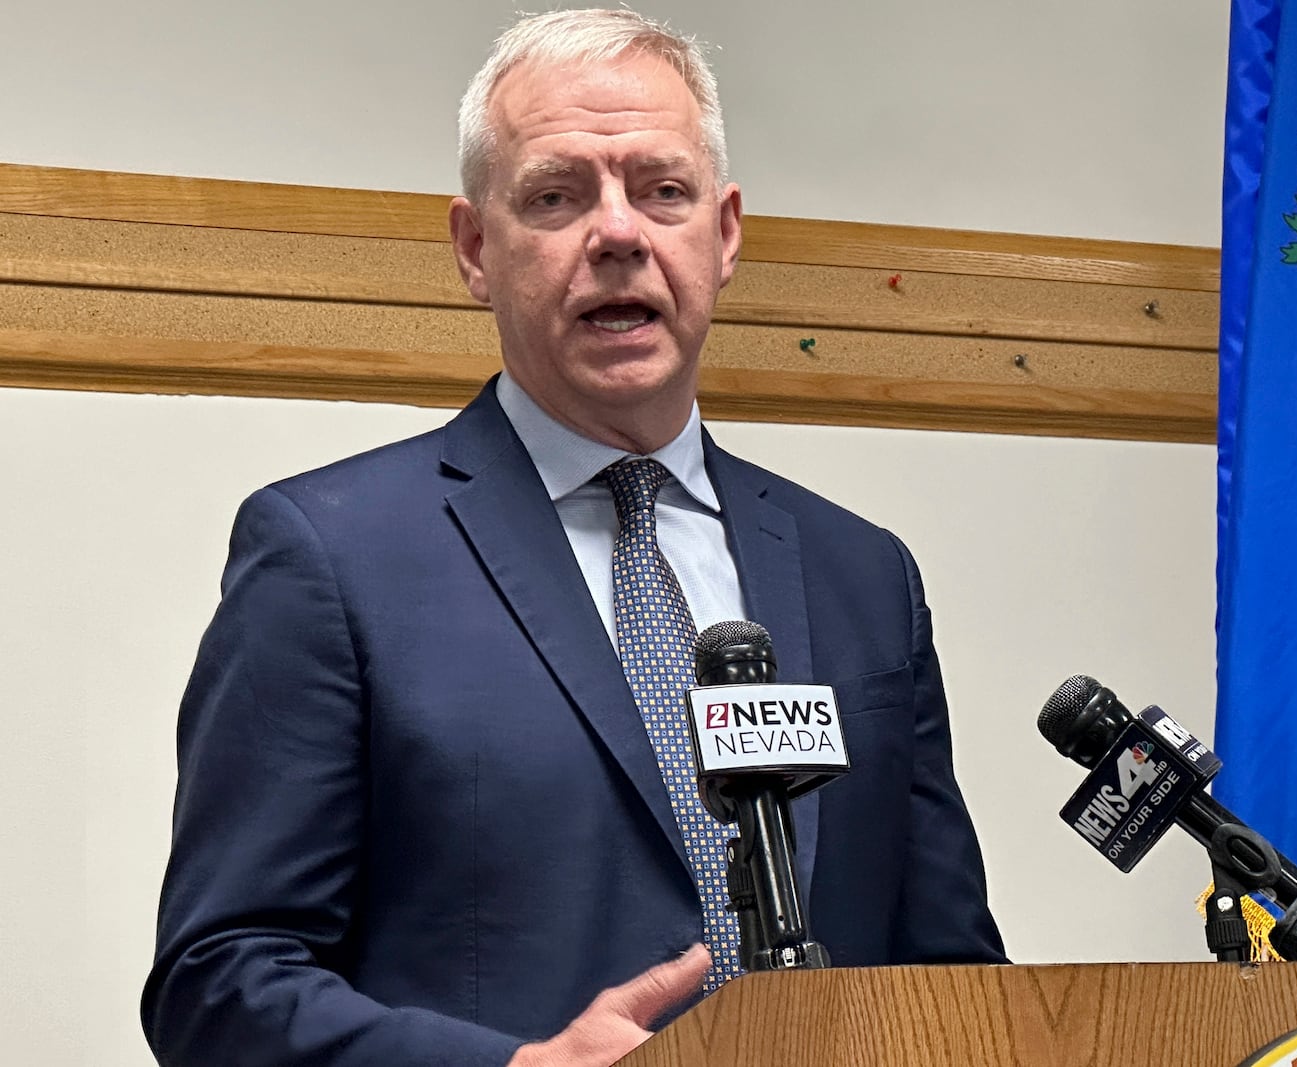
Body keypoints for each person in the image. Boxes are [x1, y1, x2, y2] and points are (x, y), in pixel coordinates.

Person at [141, 9, 1005, 1067]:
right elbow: (219, 982)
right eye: (555, 196)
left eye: (662, 189)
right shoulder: (328, 554)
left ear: (724, 234)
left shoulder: (863, 571)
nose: (618, 232)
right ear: (474, 248)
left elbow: (952, 978)